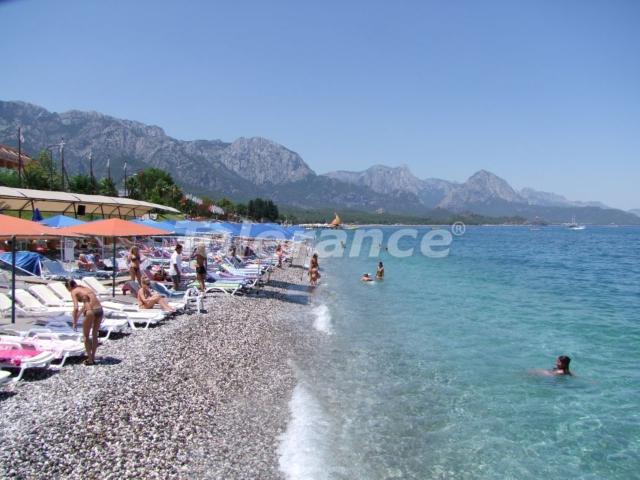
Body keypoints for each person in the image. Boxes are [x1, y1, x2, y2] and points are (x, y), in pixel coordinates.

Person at [66, 279, 103, 365]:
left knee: (86, 336)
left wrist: (74, 322)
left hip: (90, 311)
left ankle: (90, 360)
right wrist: (79, 315)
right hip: (99, 309)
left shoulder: (74, 291)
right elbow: (86, 304)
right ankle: (93, 357)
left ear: (69, 287)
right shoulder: (86, 288)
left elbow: (76, 308)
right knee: (94, 334)